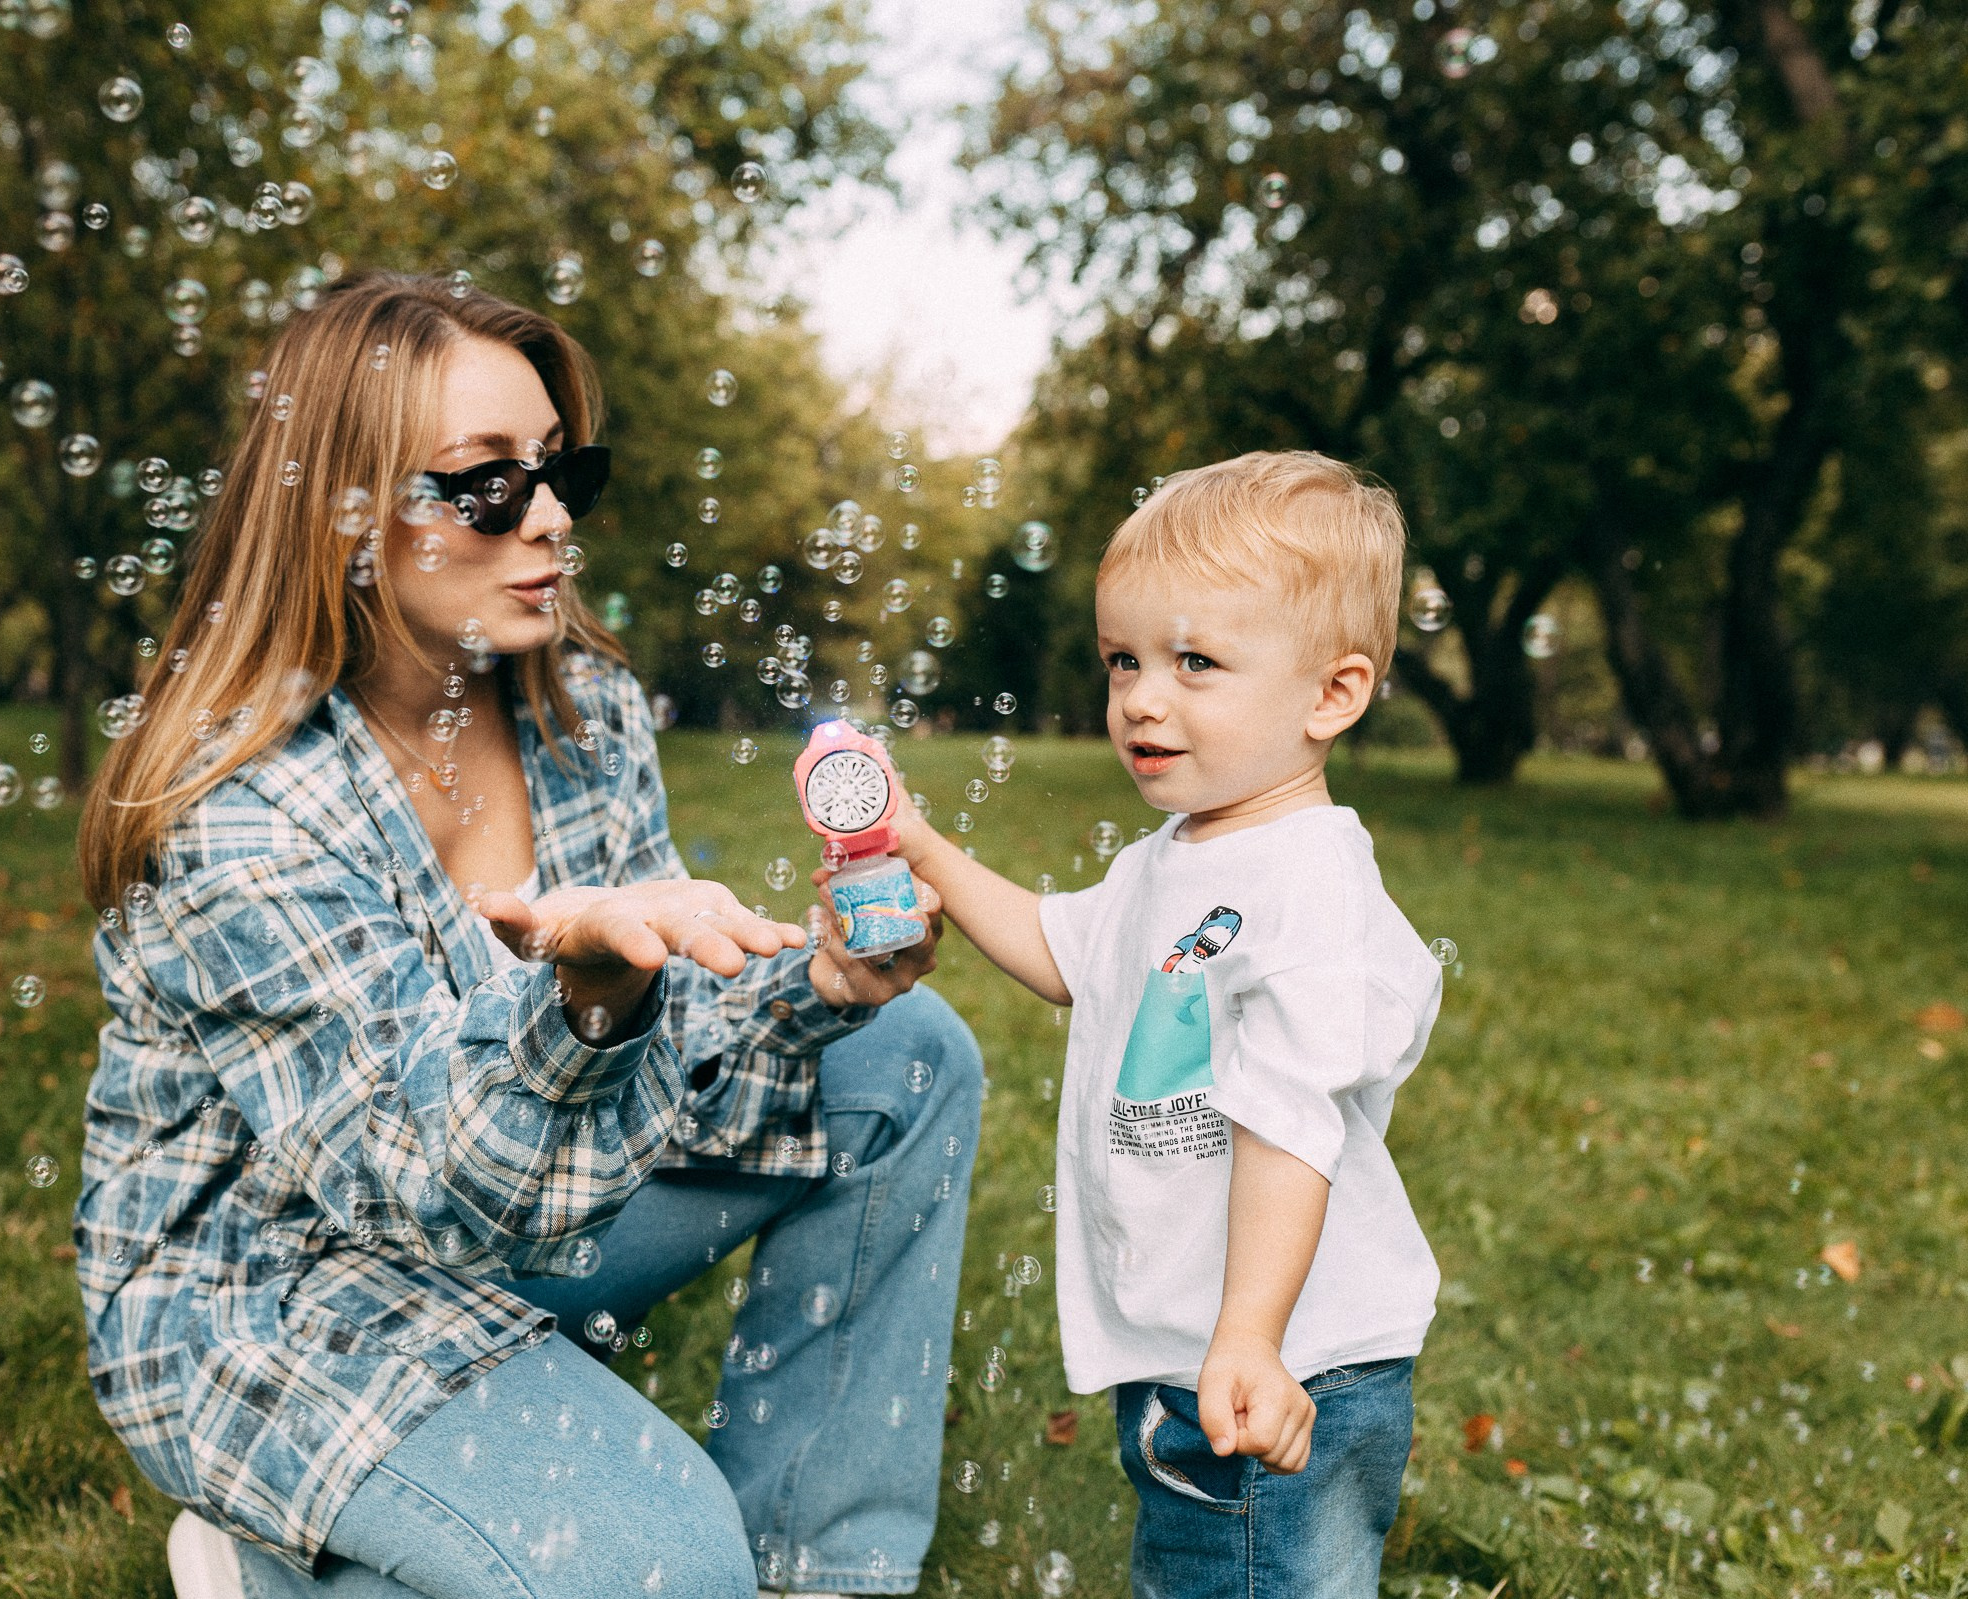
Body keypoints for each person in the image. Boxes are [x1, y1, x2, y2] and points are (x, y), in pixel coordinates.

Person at [73, 271, 982, 1599]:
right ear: (341, 514)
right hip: (283, 1288)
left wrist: (819, 982)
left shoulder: (582, 708)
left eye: (560, 470)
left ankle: (819, 1572)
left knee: (904, 1049)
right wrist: (590, 1004)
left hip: (526, 1207)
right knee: (665, 1568)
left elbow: (680, 1060)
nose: (549, 516)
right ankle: (280, 1558)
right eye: (486, 482)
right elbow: (419, 1185)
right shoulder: (242, 804)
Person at [889, 452, 1442, 1598]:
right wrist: (921, 847)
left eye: (1196, 662)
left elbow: (1288, 1121)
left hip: (1284, 1361)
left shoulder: (1308, 887)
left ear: (1329, 696)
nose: (1142, 697)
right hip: (1208, 1347)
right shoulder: (1177, 858)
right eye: (1123, 660)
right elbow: (1062, 952)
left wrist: (1247, 1336)